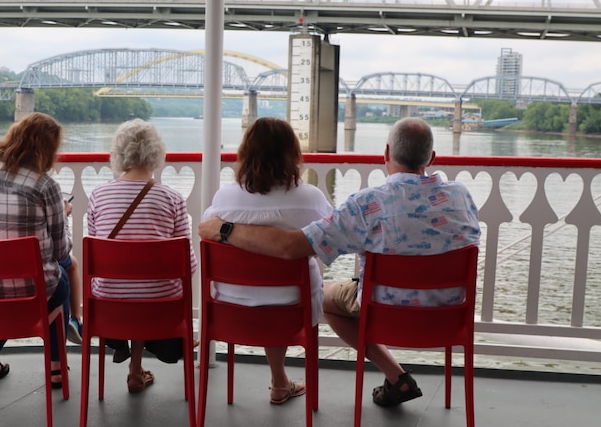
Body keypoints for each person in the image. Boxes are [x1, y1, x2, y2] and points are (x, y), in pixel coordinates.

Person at [199, 117, 481, 407]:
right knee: (323, 291)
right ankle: (397, 377)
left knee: (329, 299)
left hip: (384, 314)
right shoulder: (462, 196)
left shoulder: (367, 205)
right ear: (432, 158)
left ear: (385, 153)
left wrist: (225, 229)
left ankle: (396, 376)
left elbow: (290, 247)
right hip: (449, 315)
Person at [201, 117, 333, 405]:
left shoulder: (225, 199)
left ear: (245, 154)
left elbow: (206, 230)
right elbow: (332, 238)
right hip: (293, 309)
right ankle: (280, 381)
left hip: (231, 307)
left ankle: (279, 381)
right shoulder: (310, 199)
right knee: (282, 293)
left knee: (264, 291)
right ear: (293, 154)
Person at [0, 112, 73, 389]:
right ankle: (57, 366)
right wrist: (63, 213)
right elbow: (60, 251)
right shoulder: (44, 185)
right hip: (28, 295)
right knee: (61, 278)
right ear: (47, 150)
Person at [87, 118, 197, 393]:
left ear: (119, 154)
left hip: (108, 305)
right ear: (156, 154)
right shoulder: (172, 199)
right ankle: (140, 367)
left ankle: (135, 370)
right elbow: (189, 265)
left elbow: (95, 255)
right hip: (161, 308)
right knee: (147, 285)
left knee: (129, 283)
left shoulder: (99, 196)